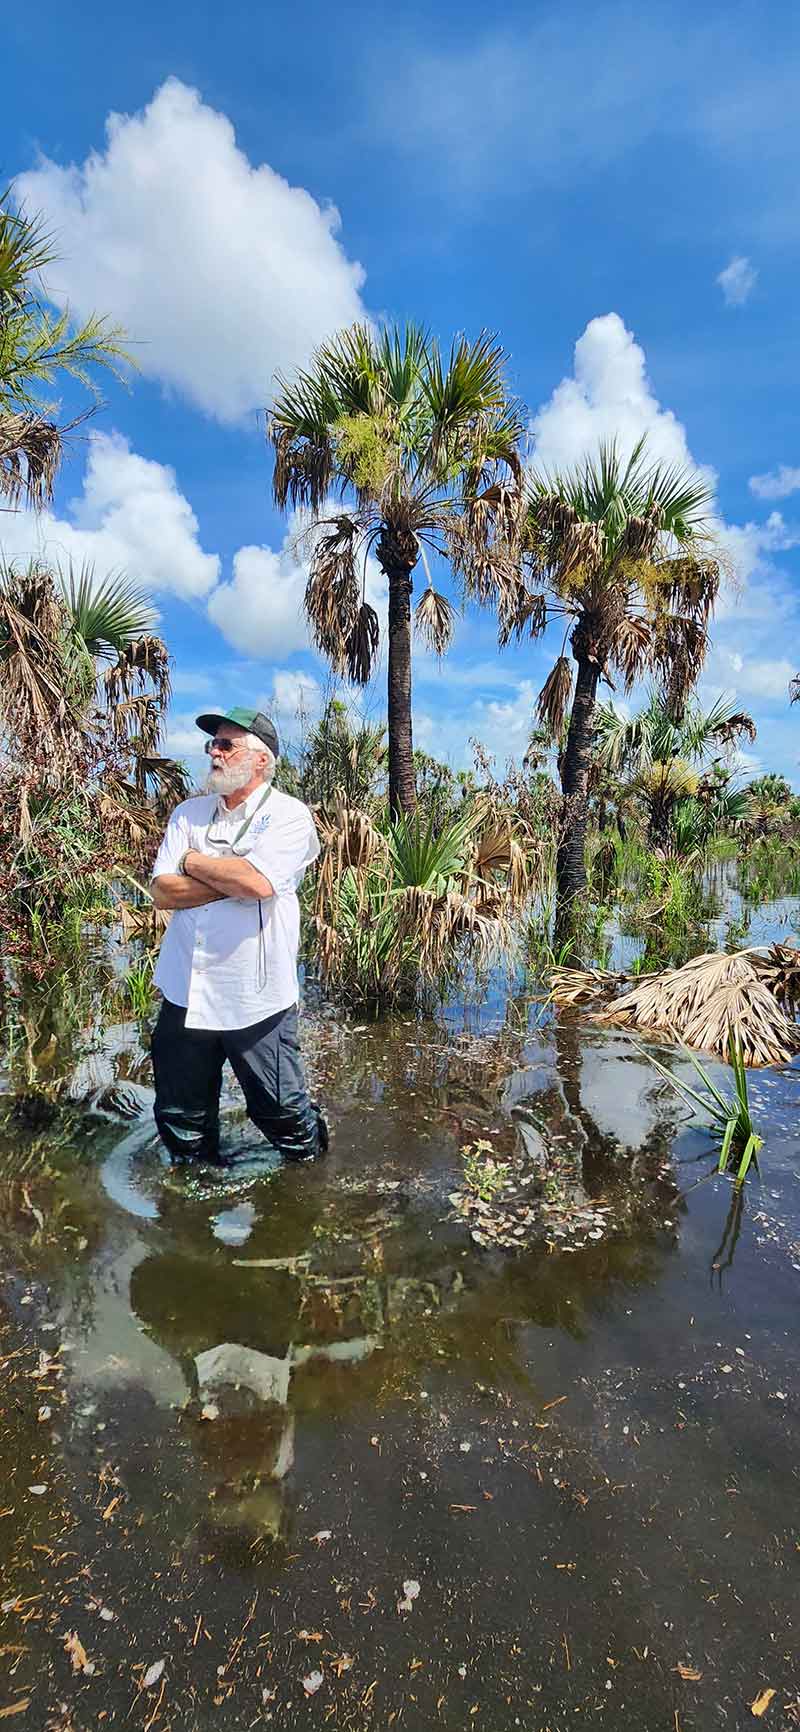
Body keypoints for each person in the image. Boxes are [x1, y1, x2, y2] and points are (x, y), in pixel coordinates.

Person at [149, 707, 327, 1166]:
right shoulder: (188, 814)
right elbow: (162, 892)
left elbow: (256, 883)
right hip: (185, 990)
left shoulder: (289, 816)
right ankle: (193, 1198)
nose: (214, 752)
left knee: (280, 1112)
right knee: (179, 1116)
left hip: (255, 996)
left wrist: (190, 862)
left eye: (226, 745)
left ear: (261, 760)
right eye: (212, 744)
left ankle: (310, 1176)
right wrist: (232, 879)